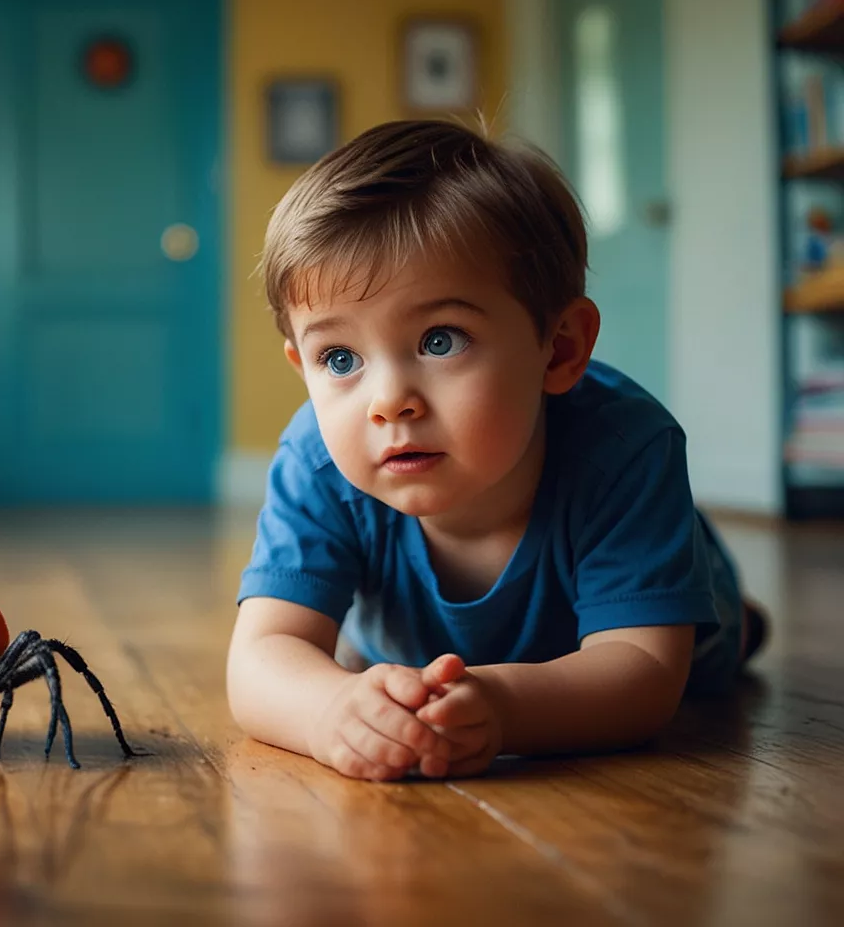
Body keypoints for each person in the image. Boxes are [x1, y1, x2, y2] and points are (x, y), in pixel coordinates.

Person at [225, 119, 766, 781]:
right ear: (302, 368)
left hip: (674, 610)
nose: (388, 402)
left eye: (440, 341)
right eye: (340, 358)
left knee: (710, 640)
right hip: (418, 649)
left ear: (559, 349)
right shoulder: (316, 461)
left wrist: (505, 707)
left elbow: (644, 670)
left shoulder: (626, 449)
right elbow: (262, 654)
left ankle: (736, 619)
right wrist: (330, 708)